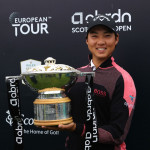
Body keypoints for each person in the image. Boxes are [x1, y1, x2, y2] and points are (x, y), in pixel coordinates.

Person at [42, 14, 136, 150]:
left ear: (116, 39)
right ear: (87, 40)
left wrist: (77, 128)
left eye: (107, 35)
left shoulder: (122, 78)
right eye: (94, 36)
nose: (101, 42)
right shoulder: (73, 74)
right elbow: (64, 113)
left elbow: (117, 134)